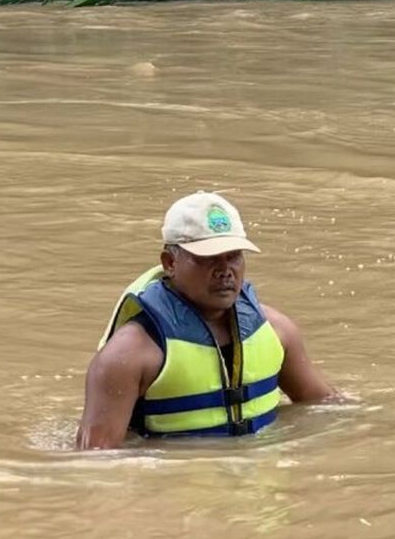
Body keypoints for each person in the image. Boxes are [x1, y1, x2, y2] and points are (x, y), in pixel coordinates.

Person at [76, 191, 342, 449]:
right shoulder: (128, 355)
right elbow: (96, 463)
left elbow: (323, 406)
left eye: (233, 256)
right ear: (170, 262)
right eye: (208, 259)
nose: (225, 271)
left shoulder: (277, 331)